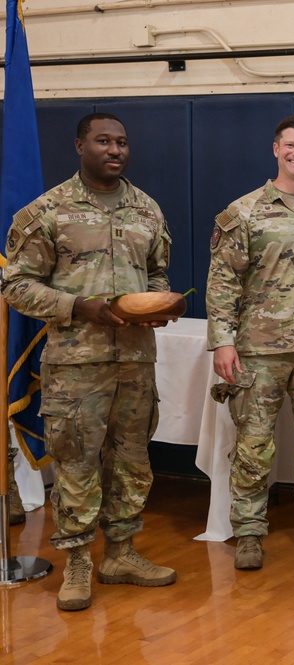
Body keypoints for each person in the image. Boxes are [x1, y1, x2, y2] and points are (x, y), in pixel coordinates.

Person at [2, 112, 177, 611]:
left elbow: (159, 273)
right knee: (76, 463)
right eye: (103, 141)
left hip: (136, 364)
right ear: (80, 144)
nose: (115, 149)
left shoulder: (147, 210)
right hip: (76, 366)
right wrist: (77, 307)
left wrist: (158, 306)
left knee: (132, 461)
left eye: (122, 141)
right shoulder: (47, 211)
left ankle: (120, 553)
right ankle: (77, 561)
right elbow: (15, 285)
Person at [206, 116, 294, 571]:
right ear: (275, 150)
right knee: (253, 444)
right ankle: (248, 531)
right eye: (290, 145)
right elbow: (223, 282)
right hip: (260, 350)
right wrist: (223, 343)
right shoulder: (245, 211)